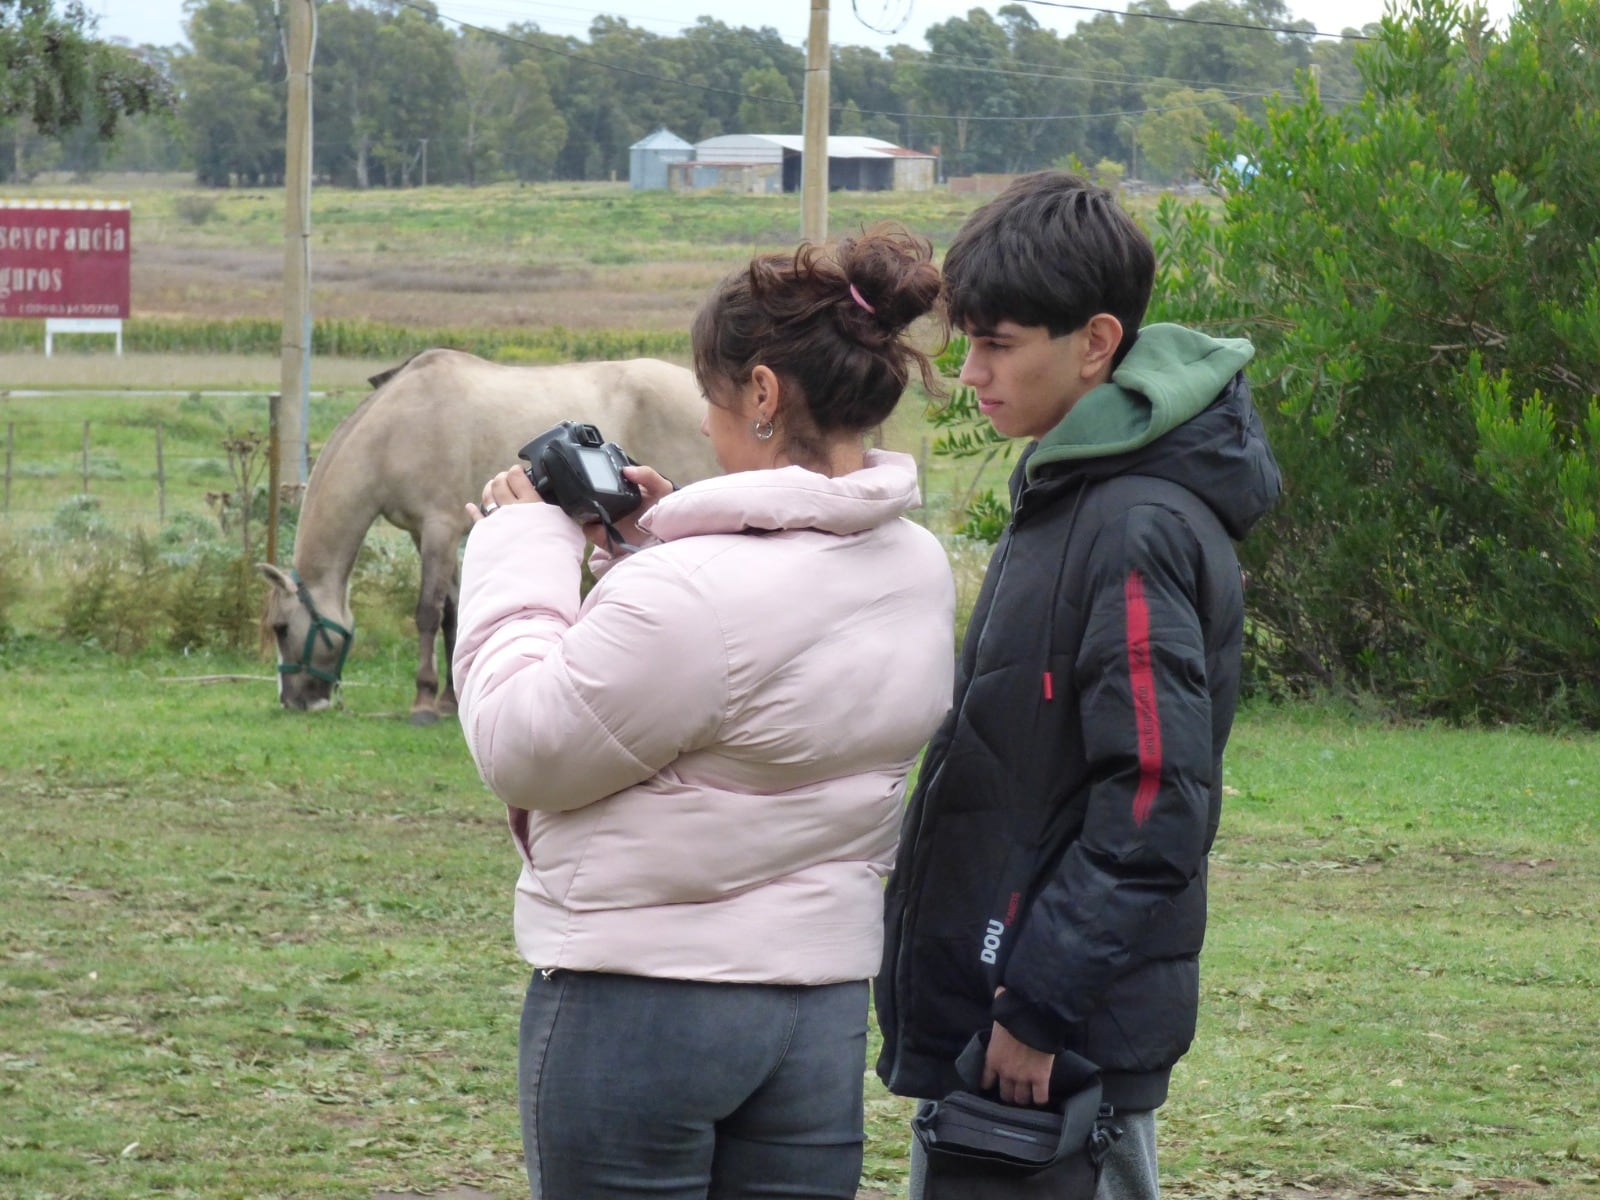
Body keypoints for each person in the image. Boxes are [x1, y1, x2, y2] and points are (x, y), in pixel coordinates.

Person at [453, 225, 957, 1200]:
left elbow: (525, 745)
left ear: (762, 393)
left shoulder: (689, 596)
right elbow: (760, 668)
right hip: (816, 1010)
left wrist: (521, 545)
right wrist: (670, 532)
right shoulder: (914, 566)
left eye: (715, 397)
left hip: (641, 1008)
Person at [874, 171, 1283, 1199]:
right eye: (965, 341)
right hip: (1008, 1011)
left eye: (997, 344)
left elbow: (1154, 798)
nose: (969, 374)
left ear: (1096, 343)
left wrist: (1038, 1007)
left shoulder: (1132, 522)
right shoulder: (1068, 487)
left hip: (1057, 1045)